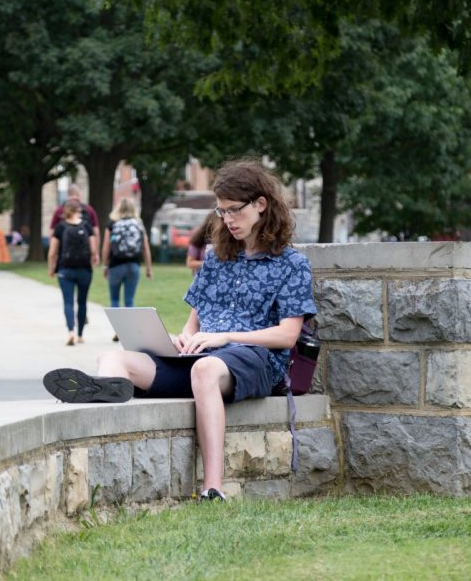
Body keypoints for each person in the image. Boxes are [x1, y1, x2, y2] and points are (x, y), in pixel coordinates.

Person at [42, 159, 317, 502]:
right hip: (202, 354)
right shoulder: (216, 257)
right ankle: (106, 391)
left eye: (234, 211)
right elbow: (194, 321)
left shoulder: (292, 263)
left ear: (261, 205)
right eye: (221, 212)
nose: (227, 220)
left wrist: (226, 338)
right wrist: (180, 338)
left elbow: (287, 335)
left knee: (204, 369)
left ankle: (213, 487)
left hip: (254, 360)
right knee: (113, 356)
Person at [48, 200, 99, 345]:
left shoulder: (60, 227)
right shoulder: (87, 226)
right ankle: (81, 335)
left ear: (65, 211)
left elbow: (52, 252)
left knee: (68, 302)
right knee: (82, 302)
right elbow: (93, 250)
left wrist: (51, 268)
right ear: (79, 211)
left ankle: (70, 332)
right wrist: (94, 259)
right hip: (84, 270)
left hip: (65, 269)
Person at [102, 197, 153, 341]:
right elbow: (145, 248)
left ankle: (118, 330)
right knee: (129, 300)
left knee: (114, 299)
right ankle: (128, 333)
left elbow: (106, 247)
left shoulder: (112, 223)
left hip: (115, 265)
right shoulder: (138, 224)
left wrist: (105, 265)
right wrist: (149, 268)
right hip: (133, 265)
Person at [49, 184, 100, 255]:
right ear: (79, 194)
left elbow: (52, 233)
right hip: (84, 256)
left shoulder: (59, 210)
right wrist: (95, 253)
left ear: (68, 194)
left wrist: (53, 252)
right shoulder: (89, 210)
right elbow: (96, 232)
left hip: (64, 255)